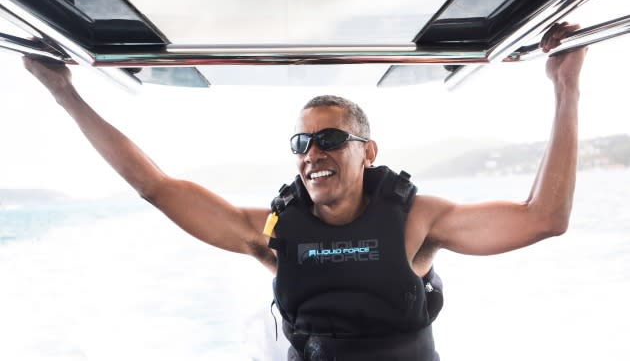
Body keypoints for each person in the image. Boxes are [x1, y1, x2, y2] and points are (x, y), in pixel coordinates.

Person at [22, 22, 586, 361]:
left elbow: (542, 218)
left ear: (368, 150)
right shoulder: (270, 231)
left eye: (331, 139)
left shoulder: (418, 220)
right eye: (301, 142)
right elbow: (155, 186)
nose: (312, 153)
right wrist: (62, 93)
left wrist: (565, 85)